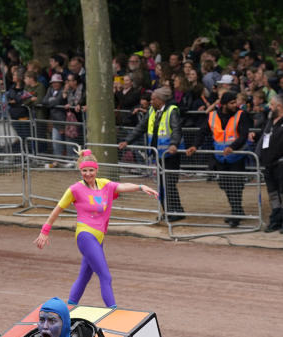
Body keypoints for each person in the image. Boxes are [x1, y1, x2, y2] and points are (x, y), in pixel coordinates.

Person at [33, 150, 159, 307]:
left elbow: (122, 186)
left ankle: (70, 307)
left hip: (99, 238)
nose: (88, 174)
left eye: (91, 170)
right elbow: (57, 210)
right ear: (80, 170)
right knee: (106, 277)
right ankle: (112, 311)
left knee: (84, 277)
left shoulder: (104, 184)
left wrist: (141, 186)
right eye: (84, 171)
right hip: (85, 236)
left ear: (96, 169)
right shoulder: (74, 189)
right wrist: (44, 231)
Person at [119, 86, 186, 222]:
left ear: (161, 100)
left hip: (169, 154)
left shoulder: (172, 111)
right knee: (161, 185)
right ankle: (168, 211)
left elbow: (176, 130)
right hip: (157, 154)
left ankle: (175, 211)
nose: (150, 101)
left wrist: (174, 144)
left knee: (169, 183)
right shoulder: (152, 111)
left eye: (153, 99)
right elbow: (141, 128)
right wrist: (127, 140)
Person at [187, 91, 253, 227]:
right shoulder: (212, 116)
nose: (235, 105)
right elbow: (202, 132)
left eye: (235, 102)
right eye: (232, 103)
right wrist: (195, 145)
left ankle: (235, 214)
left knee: (235, 185)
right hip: (220, 158)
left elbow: (243, 135)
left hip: (236, 156)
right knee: (225, 185)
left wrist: (232, 147)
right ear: (223, 105)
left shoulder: (241, 115)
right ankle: (237, 210)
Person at [251, 95, 283, 234]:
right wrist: (254, 136)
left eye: (272, 105)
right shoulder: (270, 121)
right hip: (268, 164)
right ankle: (275, 220)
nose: (270, 107)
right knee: (273, 194)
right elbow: (263, 136)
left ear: (279, 107)